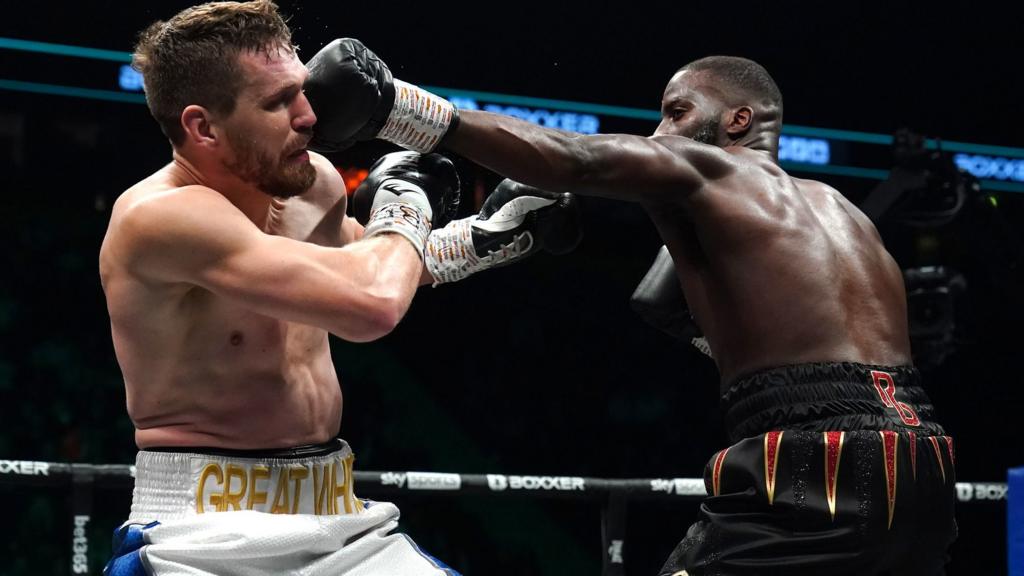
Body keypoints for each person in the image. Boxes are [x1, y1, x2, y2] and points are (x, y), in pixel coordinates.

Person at [303, 40, 958, 575]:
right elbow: (659, 302)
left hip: (815, 463)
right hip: (924, 461)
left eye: (676, 112)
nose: (659, 133)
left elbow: (578, 159)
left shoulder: (713, 169)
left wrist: (392, 107)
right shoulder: (839, 212)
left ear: (738, 121)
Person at [98, 3, 579, 574]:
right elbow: (370, 303)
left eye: (301, 90)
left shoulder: (314, 184)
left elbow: (369, 262)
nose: (308, 116)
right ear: (203, 127)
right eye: (277, 102)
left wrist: (485, 238)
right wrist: (409, 200)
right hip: (202, 531)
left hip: (336, 510)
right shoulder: (159, 217)